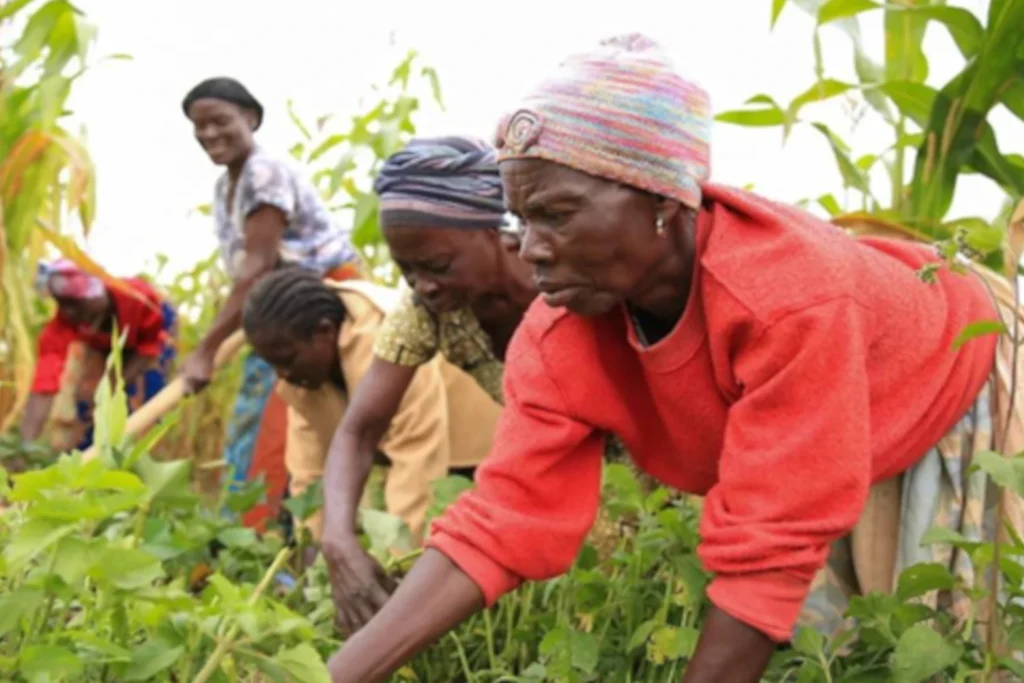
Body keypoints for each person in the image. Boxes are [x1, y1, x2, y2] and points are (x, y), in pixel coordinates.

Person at [324, 35, 1023, 683]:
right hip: (840, 436)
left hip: (955, 381)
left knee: (956, 647)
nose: (532, 248)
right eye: (522, 219)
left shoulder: (782, 297)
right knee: (826, 650)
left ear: (663, 201)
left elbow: (767, 554)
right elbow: (503, 519)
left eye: (558, 214)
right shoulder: (560, 330)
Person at [314, 136, 535, 628]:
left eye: (437, 266)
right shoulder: (426, 313)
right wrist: (338, 538)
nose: (423, 285)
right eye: (406, 270)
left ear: (494, 231)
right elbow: (358, 432)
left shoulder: (562, 284)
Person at [180, 77, 361, 528]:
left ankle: (268, 537)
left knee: (280, 426)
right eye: (199, 127)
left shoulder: (264, 172)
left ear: (252, 119)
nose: (209, 135)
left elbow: (258, 265)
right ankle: (250, 531)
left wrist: (205, 349)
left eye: (220, 121)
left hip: (316, 307)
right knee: (258, 419)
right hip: (276, 316)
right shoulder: (227, 187)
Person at [240, 267, 502, 550]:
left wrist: (398, 564)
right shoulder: (302, 376)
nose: (282, 374)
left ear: (325, 332)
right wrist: (316, 557)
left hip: (473, 445)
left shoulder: (385, 344)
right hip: (430, 455)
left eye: (287, 360)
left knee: (470, 546)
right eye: (274, 365)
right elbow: (309, 473)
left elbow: (415, 460)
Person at [20, 259, 176, 455]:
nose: (70, 313)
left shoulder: (137, 298)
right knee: (89, 403)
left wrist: (112, 384)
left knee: (142, 399)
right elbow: (44, 386)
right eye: (63, 305)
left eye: (76, 304)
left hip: (150, 338)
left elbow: (148, 348)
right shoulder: (63, 325)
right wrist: (25, 445)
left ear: (95, 291)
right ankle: (88, 457)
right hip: (105, 347)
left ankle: (134, 461)